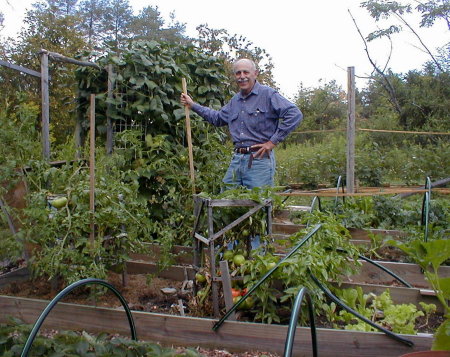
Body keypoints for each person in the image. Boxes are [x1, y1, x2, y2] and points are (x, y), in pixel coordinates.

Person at [180, 58, 303, 190]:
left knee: (259, 203)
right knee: (226, 198)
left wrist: (272, 142)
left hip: (259, 159)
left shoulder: (267, 94)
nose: (242, 77)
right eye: (238, 73)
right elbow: (217, 118)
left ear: (255, 73)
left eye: (246, 72)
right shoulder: (235, 101)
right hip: (238, 159)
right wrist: (193, 105)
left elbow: (294, 114)